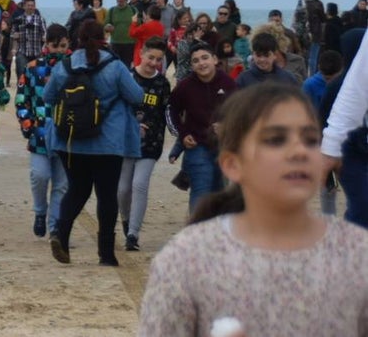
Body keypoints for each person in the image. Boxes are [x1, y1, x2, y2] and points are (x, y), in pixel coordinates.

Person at [138, 84, 368, 337]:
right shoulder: (187, 260)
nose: (299, 151)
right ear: (232, 164)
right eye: (276, 140)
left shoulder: (357, 253)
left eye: (311, 140)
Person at [43, 20, 143, 266]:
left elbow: (48, 96)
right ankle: (106, 254)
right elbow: (137, 96)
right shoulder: (115, 66)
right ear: (103, 38)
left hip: (70, 140)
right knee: (106, 196)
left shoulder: (65, 65)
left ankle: (61, 235)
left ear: (77, 39)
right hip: (108, 141)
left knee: (77, 190)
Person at [167, 41, 238, 215]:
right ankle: (196, 229)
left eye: (205, 58)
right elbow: (171, 111)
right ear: (191, 65)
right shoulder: (185, 86)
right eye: (196, 60)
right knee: (200, 191)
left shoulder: (229, 84)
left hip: (223, 147)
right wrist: (183, 134)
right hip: (196, 146)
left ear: (215, 59)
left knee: (219, 192)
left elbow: (243, 112)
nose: (201, 63)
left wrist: (227, 126)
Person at [15, 24, 70, 238]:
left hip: (67, 134)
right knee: (39, 175)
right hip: (39, 133)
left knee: (62, 185)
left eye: (63, 46)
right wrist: (27, 125)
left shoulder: (74, 68)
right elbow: (22, 99)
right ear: (46, 44)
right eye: (55, 46)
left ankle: (55, 226)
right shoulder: (32, 68)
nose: (59, 50)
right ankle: (40, 211)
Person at [117, 37, 170, 252]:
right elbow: (117, 109)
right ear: (141, 54)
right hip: (125, 143)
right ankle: (126, 218)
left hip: (151, 144)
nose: (153, 63)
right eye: (151, 58)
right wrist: (131, 126)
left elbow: (166, 113)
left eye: (158, 60)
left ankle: (133, 234)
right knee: (123, 189)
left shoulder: (162, 83)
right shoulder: (127, 77)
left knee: (139, 185)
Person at [321, 29, 368, 228]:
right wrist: (329, 149)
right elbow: (322, 120)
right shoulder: (337, 87)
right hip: (350, 153)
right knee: (362, 205)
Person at [304, 50, 345, 217]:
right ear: (319, 69)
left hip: (346, 141)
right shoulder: (310, 85)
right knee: (328, 186)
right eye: (326, 78)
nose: (329, 82)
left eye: (333, 78)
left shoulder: (348, 84)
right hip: (322, 141)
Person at [11, 0, 47, 84]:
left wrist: (44, 38)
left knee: (39, 77)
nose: (30, 7)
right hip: (23, 52)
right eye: (28, 5)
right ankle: (21, 91)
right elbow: (12, 35)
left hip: (37, 52)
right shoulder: (18, 19)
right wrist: (14, 46)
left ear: (35, 7)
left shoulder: (40, 19)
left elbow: (45, 33)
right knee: (21, 76)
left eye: (32, 5)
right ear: (24, 6)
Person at [293, 0, 326, 75]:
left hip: (303, 34)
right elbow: (323, 19)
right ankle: (312, 75)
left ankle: (303, 74)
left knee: (304, 56)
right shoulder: (318, 4)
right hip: (316, 33)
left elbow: (297, 20)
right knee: (313, 57)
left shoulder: (303, 4)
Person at [105, 0, 136, 66]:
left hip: (130, 44)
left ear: (126, 0)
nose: (119, 3)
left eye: (121, 1)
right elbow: (105, 25)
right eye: (117, 1)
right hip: (115, 43)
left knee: (127, 66)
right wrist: (107, 27)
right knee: (114, 65)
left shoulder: (133, 10)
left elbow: (139, 24)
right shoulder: (112, 10)